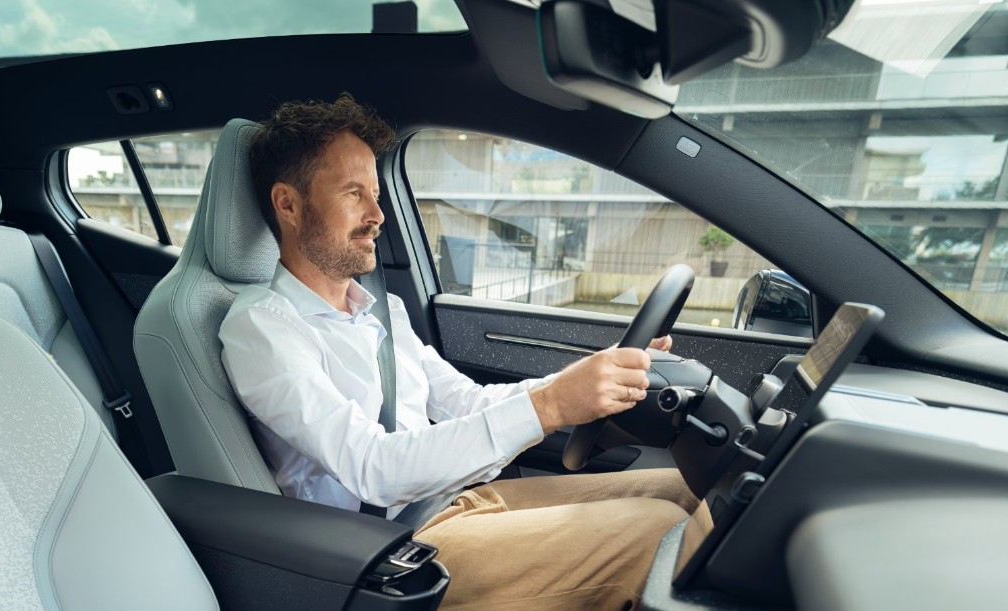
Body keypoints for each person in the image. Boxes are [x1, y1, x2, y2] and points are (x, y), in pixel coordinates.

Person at [220, 94, 703, 610]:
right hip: (384, 555)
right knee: (659, 531)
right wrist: (552, 406)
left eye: (377, 194)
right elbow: (371, 467)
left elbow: (469, 404)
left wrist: (585, 380)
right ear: (288, 204)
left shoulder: (376, 310)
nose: (378, 214)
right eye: (353, 193)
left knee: (685, 489)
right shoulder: (262, 328)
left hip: (451, 504)